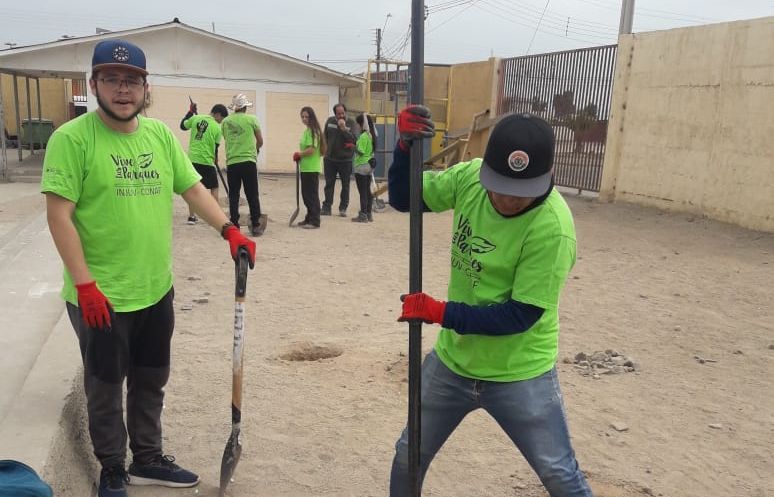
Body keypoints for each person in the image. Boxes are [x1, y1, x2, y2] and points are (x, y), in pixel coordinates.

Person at [40, 39, 257, 497]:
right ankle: (112, 467)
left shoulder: (159, 135)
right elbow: (58, 215)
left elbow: (193, 189)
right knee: (104, 387)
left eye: (132, 81)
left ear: (145, 87)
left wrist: (229, 231)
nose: (123, 90)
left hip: (156, 289)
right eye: (112, 80)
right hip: (99, 295)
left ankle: (148, 457)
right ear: (95, 83)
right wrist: (84, 285)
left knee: (151, 378)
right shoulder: (71, 139)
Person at [387, 105, 595, 497]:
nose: (506, 199)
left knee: (560, 476)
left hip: (521, 372)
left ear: (548, 177)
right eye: (498, 185)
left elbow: (521, 314)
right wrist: (403, 148)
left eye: (520, 193)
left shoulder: (553, 228)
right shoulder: (469, 179)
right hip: (453, 362)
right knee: (407, 456)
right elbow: (403, 197)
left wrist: (440, 312)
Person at [221, 93, 266, 236]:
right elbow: (260, 141)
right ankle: (256, 225)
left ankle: (234, 225)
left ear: (234, 107)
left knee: (233, 195)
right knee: (252, 194)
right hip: (248, 162)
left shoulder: (226, 122)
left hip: (233, 162)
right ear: (245, 107)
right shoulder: (252, 119)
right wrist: (256, 149)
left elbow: (227, 138)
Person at [180, 101, 228, 224]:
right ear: (217, 114)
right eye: (221, 119)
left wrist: (190, 112)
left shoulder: (196, 118)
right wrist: (215, 158)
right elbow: (216, 148)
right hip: (207, 161)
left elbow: (183, 125)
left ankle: (192, 217)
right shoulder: (217, 128)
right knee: (214, 188)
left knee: (193, 189)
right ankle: (215, 217)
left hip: (193, 160)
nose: (220, 122)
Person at [292, 106, 326, 229]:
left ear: (311, 117)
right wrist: (300, 156)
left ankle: (315, 220)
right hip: (305, 167)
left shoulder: (313, 131)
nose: (304, 119)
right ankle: (309, 217)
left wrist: (299, 154)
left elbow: (311, 150)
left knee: (311, 195)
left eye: (307, 116)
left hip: (312, 168)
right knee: (306, 195)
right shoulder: (307, 131)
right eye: (303, 116)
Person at [321, 102, 357, 217]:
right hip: (330, 159)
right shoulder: (330, 121)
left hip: (345, 160)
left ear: (345, 112)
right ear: (335, 114)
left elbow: (354, 140)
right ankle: (327, 207)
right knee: (329, 184)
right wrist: (324, 149)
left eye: (342, 113)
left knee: (345, 185)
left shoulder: (351, 123)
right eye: (338, 114)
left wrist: (344, 129)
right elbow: (324, 136)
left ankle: (343, 208)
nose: (341, 116)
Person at [351, 113, 376, 223]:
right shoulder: (372, 135)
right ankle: (369, 214)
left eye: (358, 124)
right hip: (369, 166)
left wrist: (352, 147)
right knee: (367, 191)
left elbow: (360, 152)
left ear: (362, 124)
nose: (357, 126)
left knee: (363, 192)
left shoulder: (363, 136)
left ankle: (363, 214)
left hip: (361, 166)